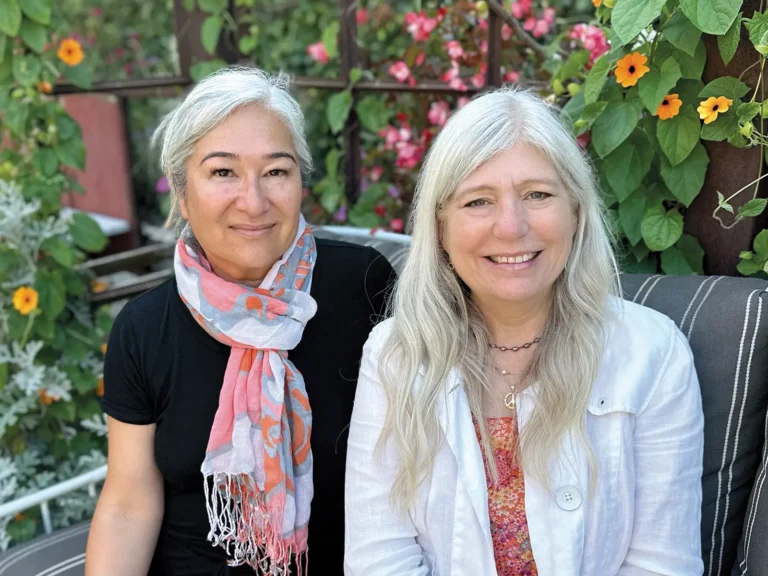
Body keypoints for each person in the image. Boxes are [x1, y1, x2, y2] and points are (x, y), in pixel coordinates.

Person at [344, 88, 704, 576]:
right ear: (441, 228)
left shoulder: (652, 354)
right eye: (478, 201)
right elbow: (378, 560)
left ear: (576, 212)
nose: (511, 227)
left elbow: (662, 565)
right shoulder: (396, 354)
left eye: (537, 194)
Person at [85, 67, 394, 576]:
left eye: (276, 171)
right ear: (183, 195)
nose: (254, 202)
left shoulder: (362, 286)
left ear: (299, 183)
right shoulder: (143, 330)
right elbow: (128, 503)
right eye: (223, 172)